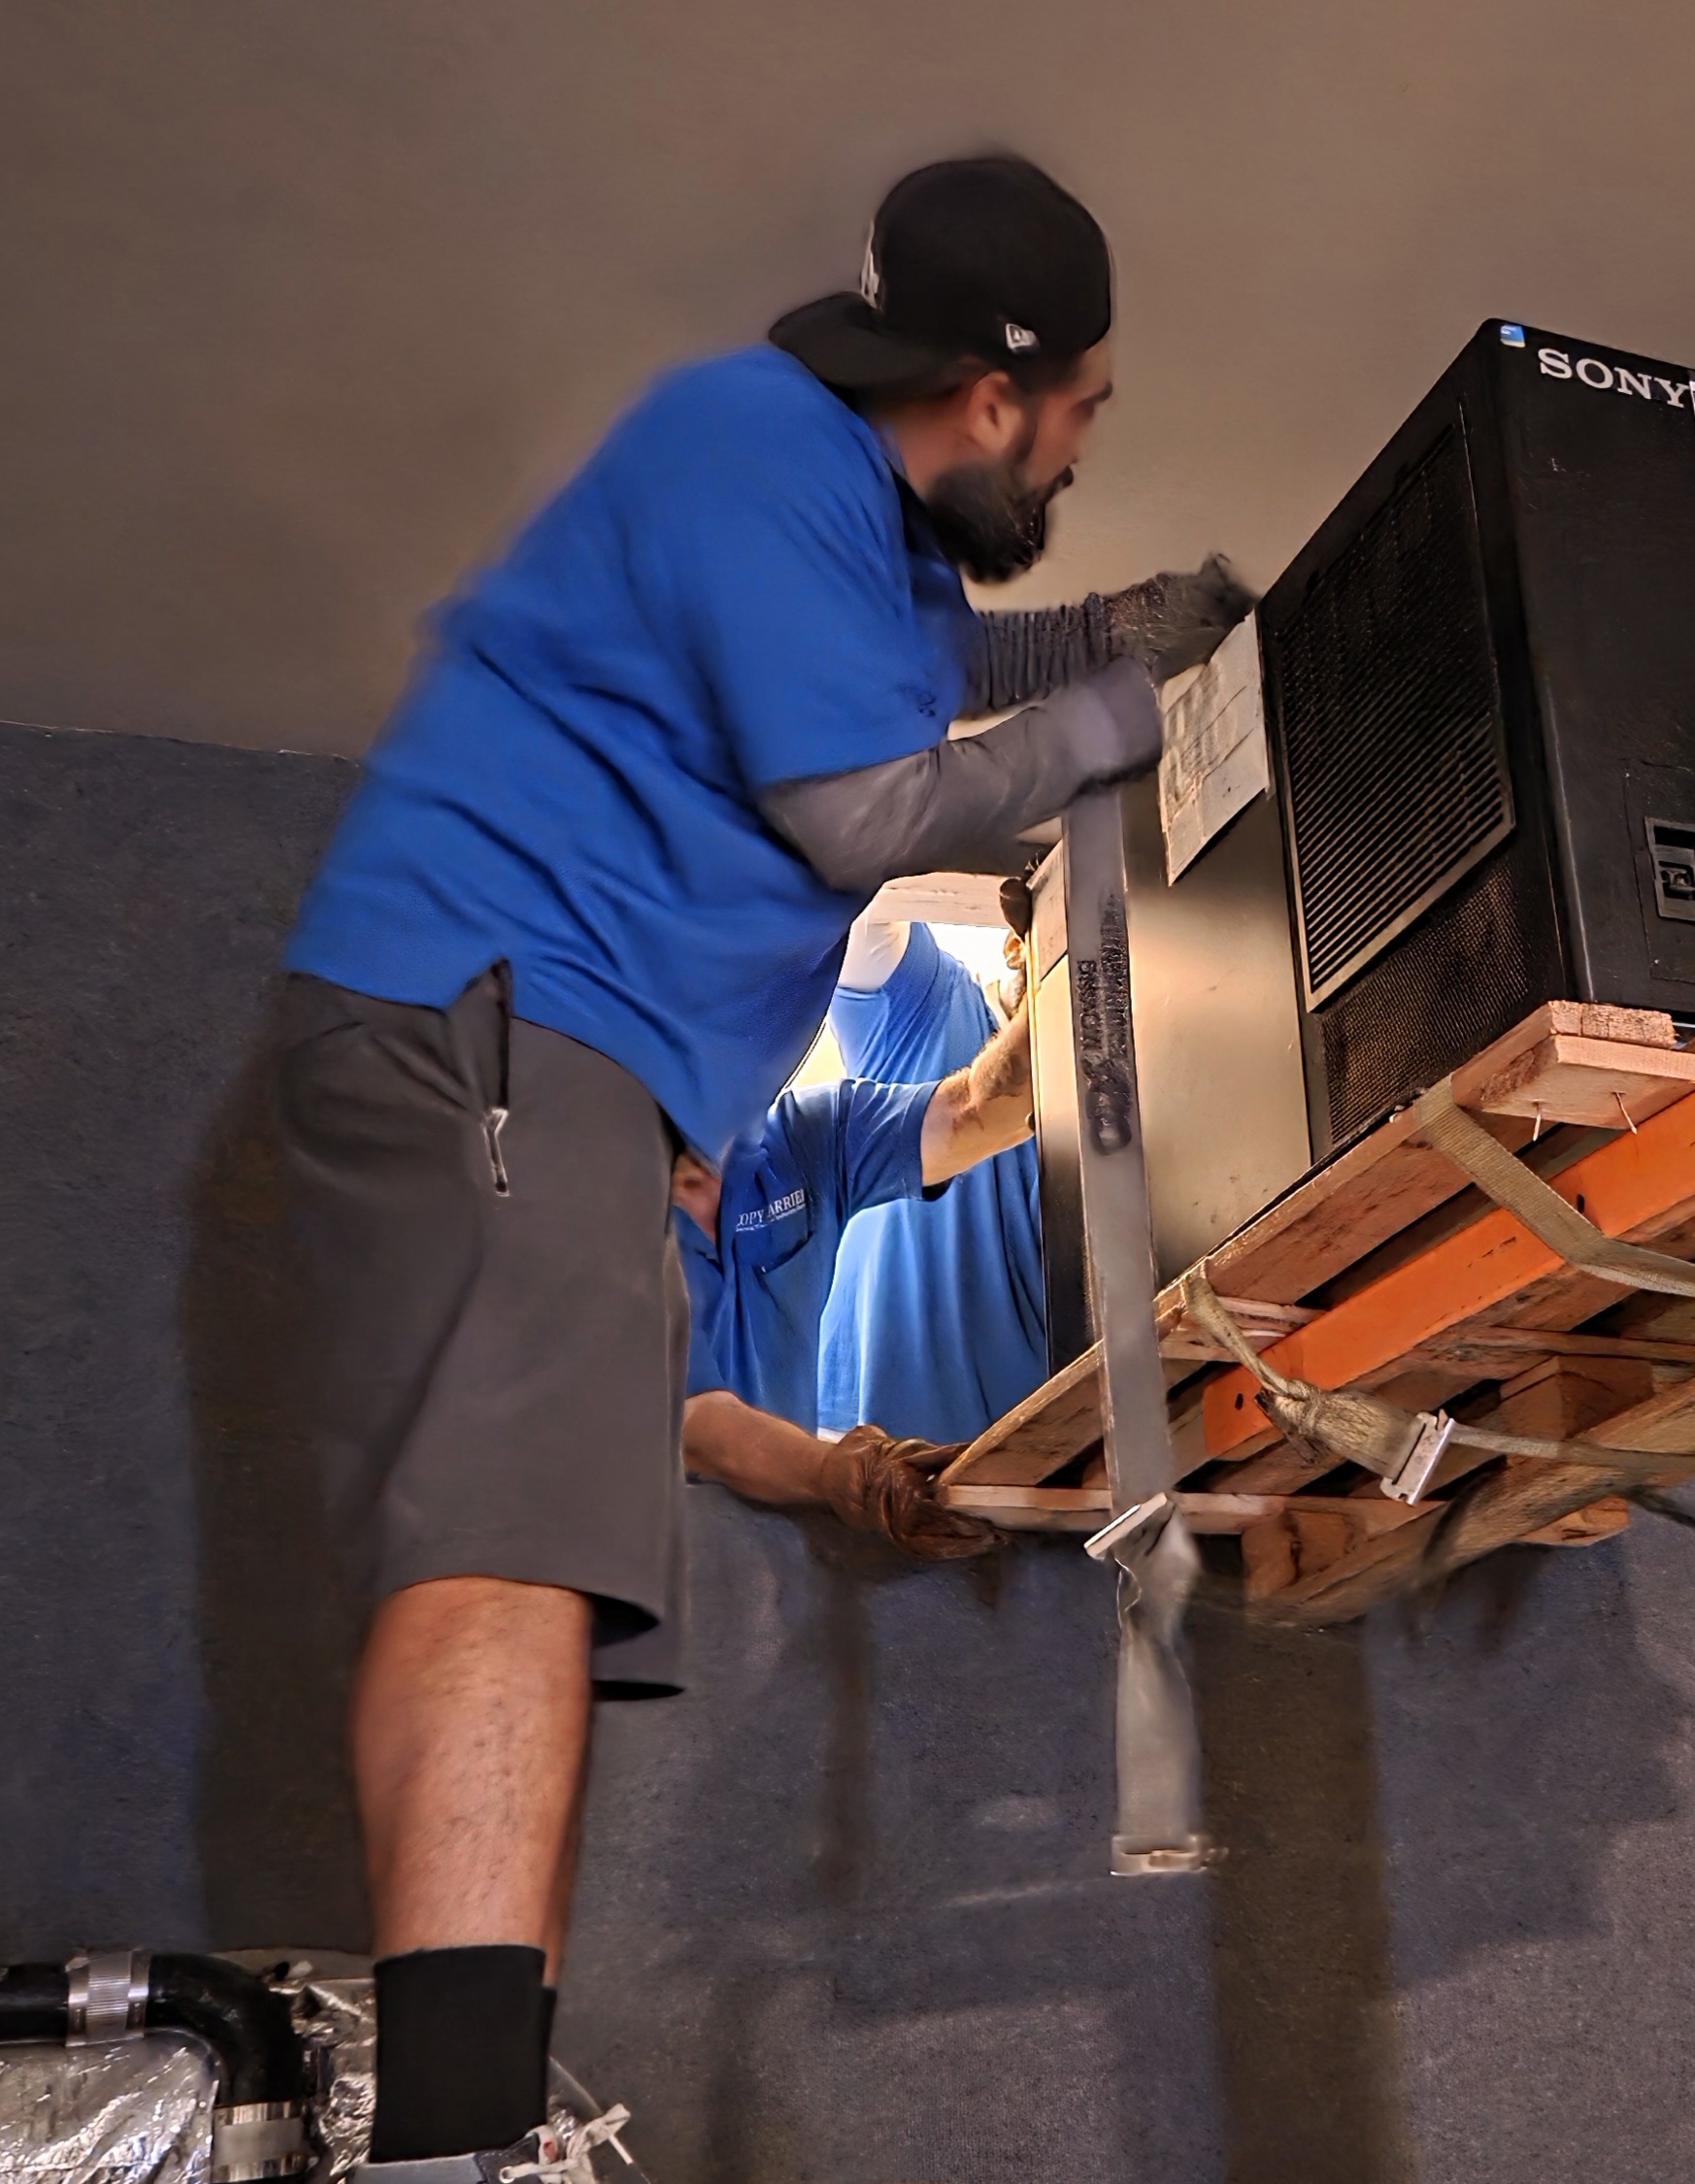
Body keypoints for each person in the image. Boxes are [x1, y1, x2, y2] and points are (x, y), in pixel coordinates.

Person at [273, 152, 1249, 2179]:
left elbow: (925, 689)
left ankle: (461, 2123)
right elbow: (855, 809)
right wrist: (1103, 718)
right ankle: (454, 2154)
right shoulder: (749, 439)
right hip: (501, 1017)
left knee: (526, 1568)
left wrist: (1111, 633)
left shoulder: (863, 549)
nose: (1081, 441)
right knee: (507, 1564)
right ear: (997, 400)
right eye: (1082, 408)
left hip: (551, 1065)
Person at [668, 1003, 1033, 1558]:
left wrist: (1065, 975)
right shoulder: (580, 1202)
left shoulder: (802, 1141)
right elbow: (694, 1423)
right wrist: (831, 1471)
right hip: (639, 1558)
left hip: (777, 1553)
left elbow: (973, 1112)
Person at [815, 911, 1048, 1446]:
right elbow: (861, 901)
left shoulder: (1130, 1108)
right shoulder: (926, 1004)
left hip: (1019, 1480)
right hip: (851, 1447)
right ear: (1016, 946)